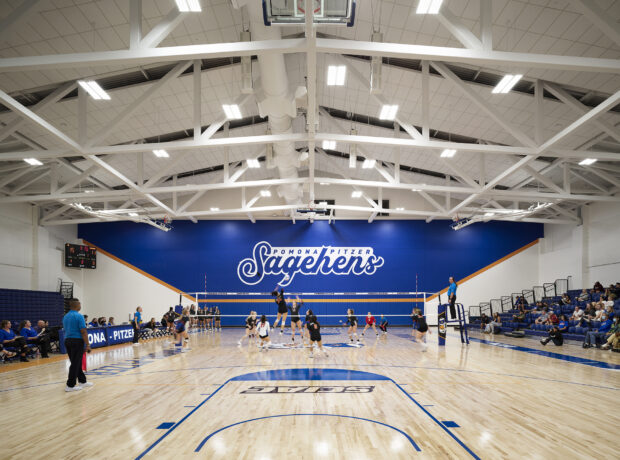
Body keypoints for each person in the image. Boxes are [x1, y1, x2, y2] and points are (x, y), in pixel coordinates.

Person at [62, 299, 92, 392]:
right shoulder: (79, 316)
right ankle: (70, 385)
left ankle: (82, 381)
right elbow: (83, 331)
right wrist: (87, 344)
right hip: (76, 341)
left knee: (76, 362)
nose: (80, 306)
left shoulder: (66, 316)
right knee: (75, 363)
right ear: (77, 305)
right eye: (80, 304)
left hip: (67, 340)